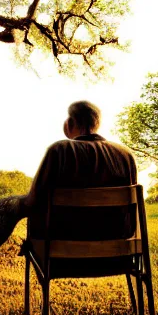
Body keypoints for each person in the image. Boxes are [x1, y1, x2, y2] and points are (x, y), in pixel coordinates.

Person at [21, 101, 138, 260]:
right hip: (117, 254)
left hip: (60, 253)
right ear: (97, 124)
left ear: (69, 123)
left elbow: (32, 201)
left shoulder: (58, 150)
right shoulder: (125, 155)